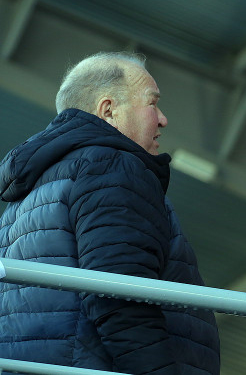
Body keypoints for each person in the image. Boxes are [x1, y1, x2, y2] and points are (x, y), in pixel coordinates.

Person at [0, 52, 220, 374]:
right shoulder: (112, 166)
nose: (162, 119)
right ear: (109, 110)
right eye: (152, 103)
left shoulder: (25, 196)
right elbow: (120, 298)